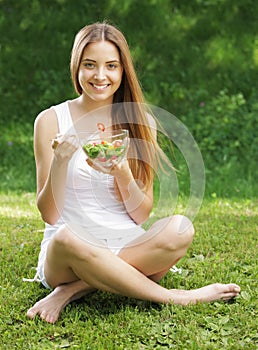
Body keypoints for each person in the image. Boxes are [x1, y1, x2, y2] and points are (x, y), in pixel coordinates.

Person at [26, 22, 240, 324]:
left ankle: (70, 291)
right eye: (90, 65)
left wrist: (123, 172)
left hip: (124, 241)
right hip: (68, 253)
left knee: (181, 228)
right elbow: (48, 214)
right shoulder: (50, 120)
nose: (100, 76)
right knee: (67, 236)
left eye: (111, 66)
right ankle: (179, 298)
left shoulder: (140, 122)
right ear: (77, 67)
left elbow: (140, 215)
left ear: (123, 70)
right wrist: (61, 161)